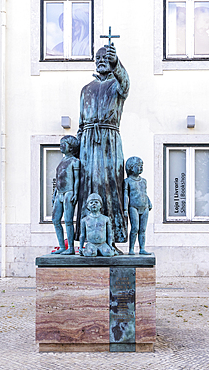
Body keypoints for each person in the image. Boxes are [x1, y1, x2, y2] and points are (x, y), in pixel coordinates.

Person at [75, 44, 130, 247]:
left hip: (109, 139)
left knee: (111, 183)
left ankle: (112, 237)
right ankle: (87, 238)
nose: (100, 60)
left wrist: (117, 63)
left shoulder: (116, 84)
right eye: (97, 57)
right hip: (88, 141)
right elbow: (81, 122)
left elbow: (125, 83)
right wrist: (76, 147)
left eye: (105, 57)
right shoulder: (86, 89)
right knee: (87, 182)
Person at [52, 135, 80, 255]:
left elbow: (77, 179)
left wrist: (75, 192)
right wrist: (54, 193)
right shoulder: (61, 161)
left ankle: (71, 248)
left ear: (71, 147)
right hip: (59, 193)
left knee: (68, 220)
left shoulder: (75, 161)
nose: (61, 146)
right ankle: (62, 246)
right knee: (55, 220)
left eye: (64, 143)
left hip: (69, 192)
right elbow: (57, 179)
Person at [124, 157, 152, 255]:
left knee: (143, 229)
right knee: (135, 228)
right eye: (138, 166)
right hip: (133, 206)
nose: (140, 168)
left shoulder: (144, 181)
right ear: (131, 168)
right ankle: (131, 249)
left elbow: (144, 192)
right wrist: (125, 208)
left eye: (142, 166)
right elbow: (125, 196)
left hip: (145, 206)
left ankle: (142, 248)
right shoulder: (128, 181)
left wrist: (149, 201)